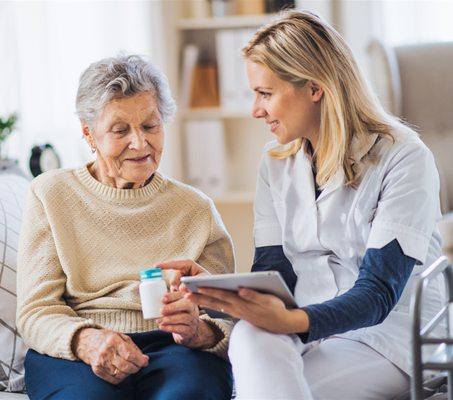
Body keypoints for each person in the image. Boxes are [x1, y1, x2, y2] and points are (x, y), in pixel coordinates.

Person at [160, 11, 444, 399]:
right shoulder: (275, 163)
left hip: (385, 339)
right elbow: (273, 274)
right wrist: (217, 291)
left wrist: (293, 320)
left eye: (265, 93)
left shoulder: (403, 158)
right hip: (301, 330)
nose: (256, 110)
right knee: (249, 337)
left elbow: (378, 294)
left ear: (314, 87)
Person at [16, 54, 234, 400]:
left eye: (150, 126)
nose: (140, 143)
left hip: (175, 348)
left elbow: (227, 317)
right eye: (120, 131)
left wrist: (200, 332)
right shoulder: (51, 194)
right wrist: (86, 340)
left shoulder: (196, 209)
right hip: (79, 349)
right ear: (89, 133)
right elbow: (36, 311)